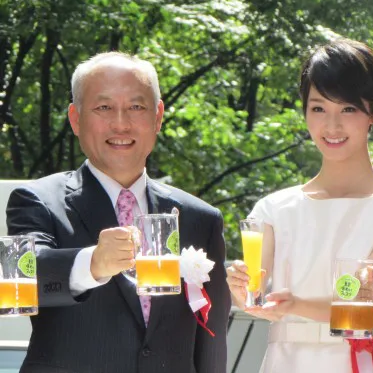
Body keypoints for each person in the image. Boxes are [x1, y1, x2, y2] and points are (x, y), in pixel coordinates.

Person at [6, 52, 231, 373]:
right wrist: (92, 263)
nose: (121, 123)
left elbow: (211, 338)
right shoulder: (36, 200)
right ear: (75, 118)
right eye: (104, 107)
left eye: (136, 107)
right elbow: (19, 282)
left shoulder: (200, 218)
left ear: (157, 116)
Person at [226, 38, 373, 373]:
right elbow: (254, 297)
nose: (331, 126)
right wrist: (241, 288)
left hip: (361, 363)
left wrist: (294, 304)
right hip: (285, 363)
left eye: (347, 109)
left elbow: (366, 304)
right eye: (318, 108)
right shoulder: (273, 209)